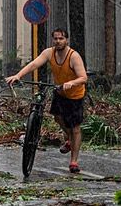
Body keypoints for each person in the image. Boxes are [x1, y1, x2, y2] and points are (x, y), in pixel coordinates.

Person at [5, 28, 88, 173]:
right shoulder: (49, 53)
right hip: (60, 92)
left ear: (66, 40)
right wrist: (18, 75)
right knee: (58, 118)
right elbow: (34, 64)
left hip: (75, 95)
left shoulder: (73, 56)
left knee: (75, 128)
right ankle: (69, 140)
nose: (58, 41)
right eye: (55, 39)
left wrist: (71, 83)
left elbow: (83, 77)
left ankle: (74, 161)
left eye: (61, 38)